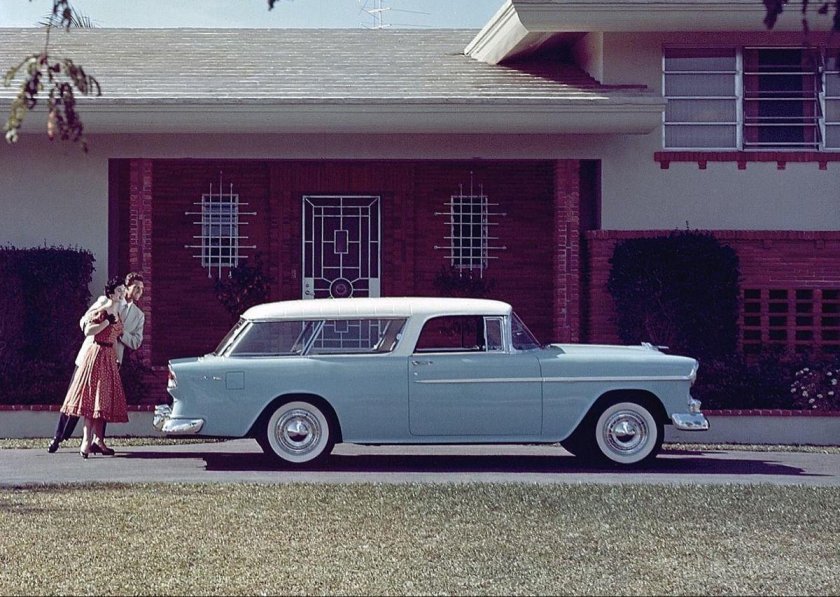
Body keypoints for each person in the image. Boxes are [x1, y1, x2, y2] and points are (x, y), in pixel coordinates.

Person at [47, 272, 146, 453]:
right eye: (136, 287)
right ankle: (58, 437)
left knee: (103, 401)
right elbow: (85, 320)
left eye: (142, 289)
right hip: (90, 356)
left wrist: (119, 332)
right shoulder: (104, 302)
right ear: (127, 287)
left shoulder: (138, 316)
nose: (139, 291)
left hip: (112, 358)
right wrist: (96, 326)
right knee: (77, 396)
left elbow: (136, 342)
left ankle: (96, 441)